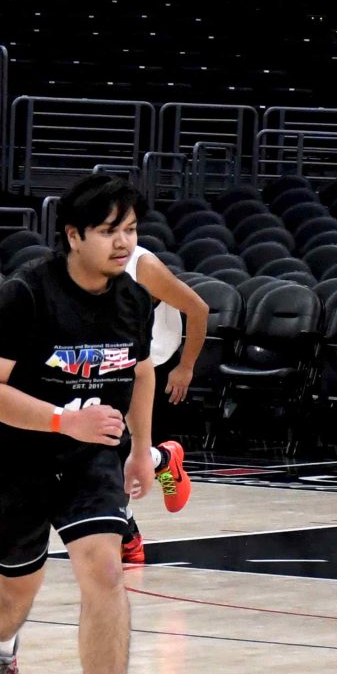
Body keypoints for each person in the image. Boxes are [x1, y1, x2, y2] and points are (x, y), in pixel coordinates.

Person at [0, 174, 158, 674]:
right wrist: (60, 421)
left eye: (130, 230)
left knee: (105, 569)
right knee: (17, 586)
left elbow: (140, 372)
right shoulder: (24, 294)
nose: (123, 243)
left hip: (89, 455)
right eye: (109, 231)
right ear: (74, 235)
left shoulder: (134, 299)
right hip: (11, 456)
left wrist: (141, 448)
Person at [115, 233, 203, 566]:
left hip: (152, 365)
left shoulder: (144, 265)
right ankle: (163, 459)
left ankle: (128, 534)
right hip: (112, 361)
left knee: (116, 451)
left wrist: (186, 367)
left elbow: (198, 309)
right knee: (103, 451)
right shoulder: (79, 266)